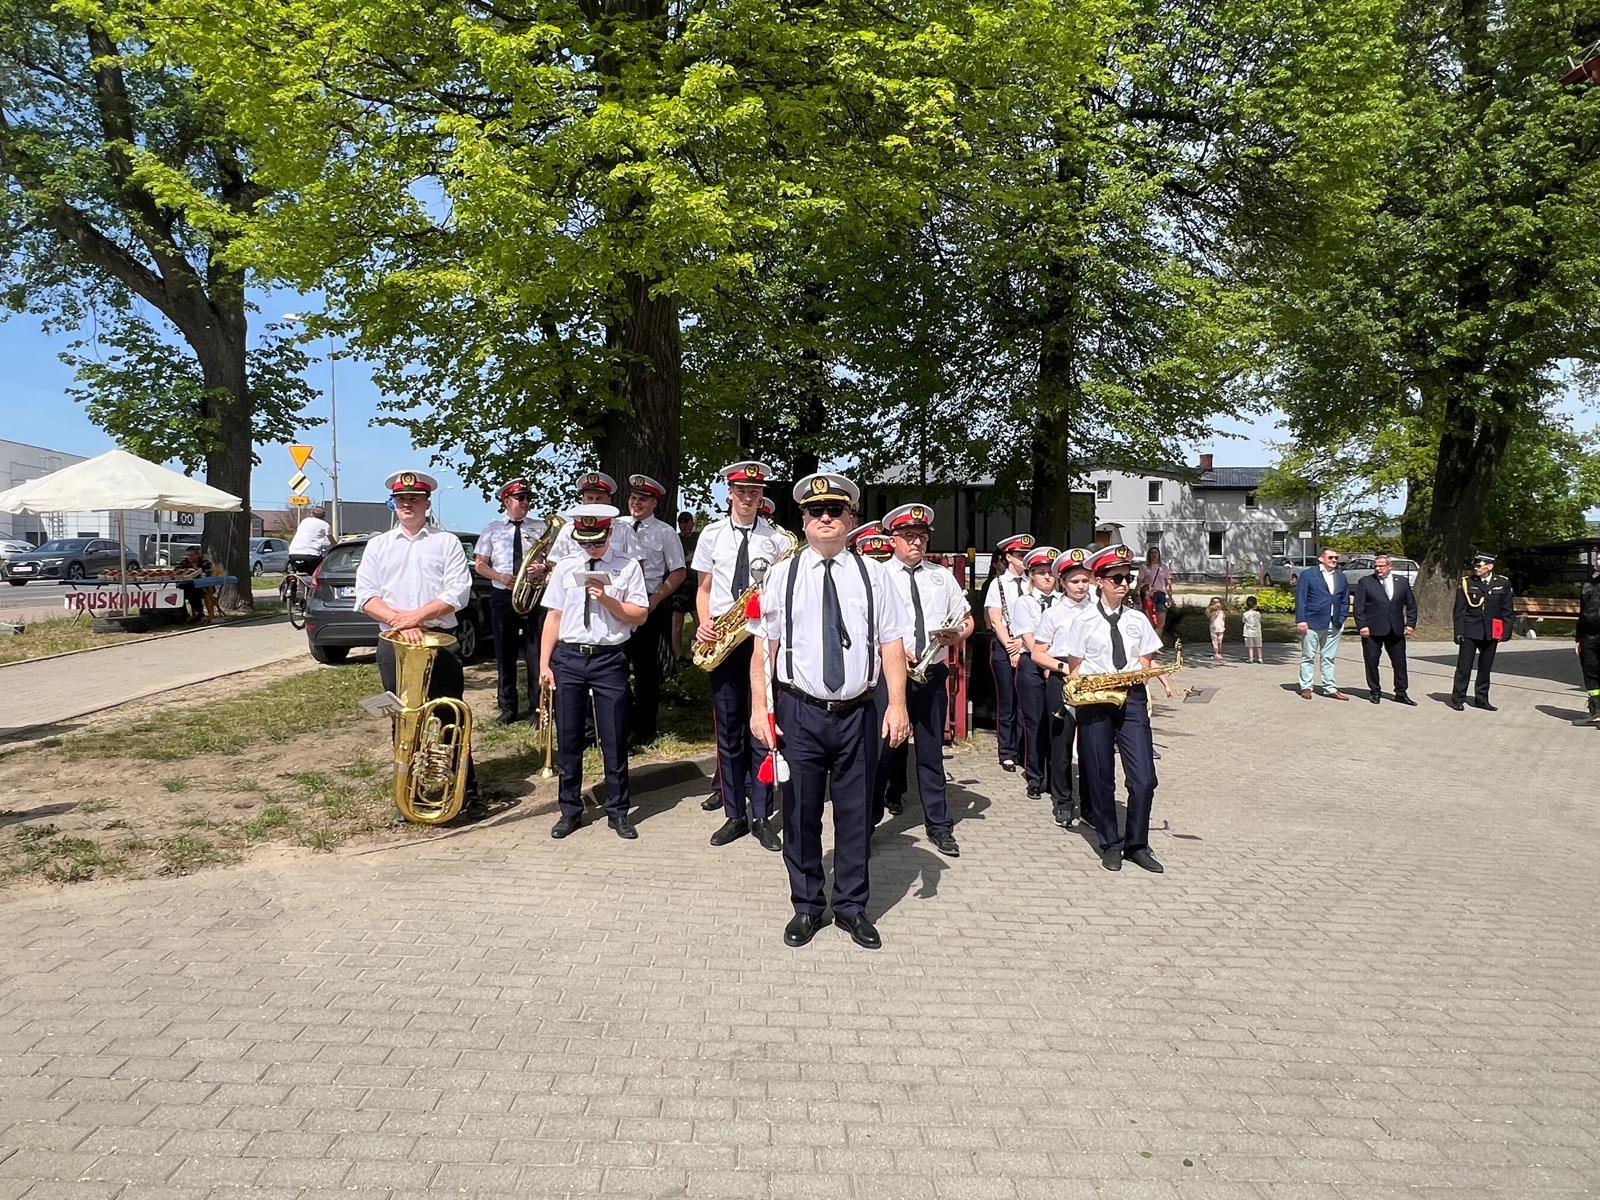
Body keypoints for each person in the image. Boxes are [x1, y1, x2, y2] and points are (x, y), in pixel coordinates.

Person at [749, 472, 912, 949]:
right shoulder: (781, 574)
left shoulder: (875, 574)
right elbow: (764, 646)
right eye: (815, 511)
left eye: (834, 511)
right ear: (802, 520)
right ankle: (807, 906)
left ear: (849, 518)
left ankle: (851, 906)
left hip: (858, 711)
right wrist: (761, 708)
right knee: (799, 812)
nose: (825, 518)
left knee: (857, 812)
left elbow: (892, 644)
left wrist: (896, 705)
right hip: (800, 712)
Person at [354, 470, 485, 822]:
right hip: (394, 643)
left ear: (427, 503)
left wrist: (412, 619)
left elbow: (456, 593)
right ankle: (406, 794)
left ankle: (466, 794)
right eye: (401, 499)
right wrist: (401, 622)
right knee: (403, 720)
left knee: (449, 718)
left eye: (414, 499)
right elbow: (366, 596)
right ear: (394, 505)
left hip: (438, 641)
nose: (407, 504)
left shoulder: (446, 543)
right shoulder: (378, 545)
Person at [538, 504, 649, 838]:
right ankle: (569, 810)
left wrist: (607, 600)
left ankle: (618, 810)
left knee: (614, 737)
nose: (591, 548)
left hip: (608, 657)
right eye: (585, 542)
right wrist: (545, 663)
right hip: (570, 657)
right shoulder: (566, 566)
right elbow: (554, 616)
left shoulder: (627, 566)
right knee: (569, 737)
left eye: (597, 541)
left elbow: (639, 613)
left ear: (610, 533)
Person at [692, 460, 787, 849]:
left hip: (760, 638)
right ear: (729, 493)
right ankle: (735, 814)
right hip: (723, 636)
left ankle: (763, 814)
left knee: (763, 726)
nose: (748, 497)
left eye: (755, 490)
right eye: (741, 491)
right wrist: (703, 623)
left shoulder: (779, 540)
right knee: (728, 729)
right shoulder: (712, 534)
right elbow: (703, 589)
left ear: (761, 494)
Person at [871, 502, 972, 856]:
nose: (916, 543)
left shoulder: (941, 576)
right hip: (891, 675)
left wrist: (955, 635)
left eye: (922, 537)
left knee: (930, 753)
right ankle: (866, 825)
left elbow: (967, 619)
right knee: (884, 750)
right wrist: (893, 651)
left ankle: (939, 825)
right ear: (893, 540)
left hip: (931, 672)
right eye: (908, 536)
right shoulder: (877, 575)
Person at [1064, 544, 1167, 873]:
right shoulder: (1082, 620)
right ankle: (1110, 841)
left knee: (1144, 780)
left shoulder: (1138, 619)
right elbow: (1074, 667)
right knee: (1100, 775)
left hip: (1132, 697)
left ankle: (1137, 843)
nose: (1124, 584)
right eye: (1116, 578)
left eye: (1128, 578)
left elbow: (1146, 659)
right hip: (1097, 701)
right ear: (1099, 581)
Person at [1030, 548, 1095, 828]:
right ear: (1063, 583)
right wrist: (1062, 668)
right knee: (1061, 744)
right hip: (1062, 676)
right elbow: (1037, 652)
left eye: (1084, 581)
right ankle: (1063, 801)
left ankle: (1092, 804)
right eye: (1074, 581)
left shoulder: (1098, 611)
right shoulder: (1053, 613)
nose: (1080, 586)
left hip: (1092, 679)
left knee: (1094, 744)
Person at [621, 474, 686, 748]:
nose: (637, 503)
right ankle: (621, 721)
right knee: (616, 665)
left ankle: (645, 727)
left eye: (643, 499)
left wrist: (657, 598)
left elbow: (679, 571)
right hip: (617, 603)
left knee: (645, 667)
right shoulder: (616, 526)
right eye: (634, 498)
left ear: (654, 503)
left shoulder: (664, 532)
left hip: (649, 602)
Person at [474, 479, 543, 724]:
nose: (525, 503)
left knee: (536, 653)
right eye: (520, 498)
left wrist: (542, 567)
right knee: (505, 652)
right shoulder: (492, 528)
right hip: (503, 594)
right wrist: (500, 576)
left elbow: (554, 558)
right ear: (506, 501)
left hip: (533, 592)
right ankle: (508, 708)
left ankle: (538, 708)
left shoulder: (540, 527)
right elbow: (480, 564)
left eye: (527, 498)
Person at [1010, 545, 1061, 800]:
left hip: (1059, 668)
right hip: (1033, 666)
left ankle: (1056, 778)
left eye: (1050, 572)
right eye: (1041, 572)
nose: (1047, 577)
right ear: (1031, 575)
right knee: (1035, 723)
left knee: (1058, 724)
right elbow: (1029, 638)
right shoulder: (1025, 602)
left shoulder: (1065, 602)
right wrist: (1045, 664)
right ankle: (1034, 776)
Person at [984, 533, 1034, 771]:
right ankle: (1007, 751)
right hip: (1006, 646)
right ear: (1009, 557)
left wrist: (1023, 646)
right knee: (1007, 700)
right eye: (1020, 555)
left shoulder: (1032, 582)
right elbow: (995, 619)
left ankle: (1024, 749)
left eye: (1026, 555)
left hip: (1027, 646)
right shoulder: (998, 584)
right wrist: (1010, 646)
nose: (1024, 559)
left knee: (1026, 702)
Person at [1450, 551, 1514, 711]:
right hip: (1470, 629)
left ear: (1489, 567)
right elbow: (1459, 610)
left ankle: (1481, 699)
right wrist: (1459, 631)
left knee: (1485, 668)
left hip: (1491, 630)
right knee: (1464, 667)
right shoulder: (1467, 582)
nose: (1476, 568)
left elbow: (1507, 609)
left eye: (1479, 565)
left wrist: (1506, 631)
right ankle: (1458, 698)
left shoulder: (1502, 583)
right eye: (1475, 565)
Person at [1354, 552, 1418, 705]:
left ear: (1390, 567)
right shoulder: (1366, 582)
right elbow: (1359, 607)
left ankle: (1401, 692)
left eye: (1381, 566)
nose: (1377, 569)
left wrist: (1410, 624)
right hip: (1372, 629)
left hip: (1395, 629)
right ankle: (1375, 691)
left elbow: (1411, 605)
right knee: (1371, 661)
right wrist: (1362, 626)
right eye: (1375, 566)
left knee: (1400, 663)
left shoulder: (1401, 582)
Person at [546, 470, 642, 564]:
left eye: (599, 498)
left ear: (609, 500)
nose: (594, 503)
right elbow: (556, 563)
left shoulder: (623, 528)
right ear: (582, 499)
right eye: (590, 498)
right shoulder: (569, 528)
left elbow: (637, 563)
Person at [1294, 547, 1350, 700]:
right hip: (1312, 622)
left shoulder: (1340, 576)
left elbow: (1344, 599)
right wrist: (1301, 620)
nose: (1334, 560)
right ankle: (1306, 686)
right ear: (1321, 558)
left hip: (1335, 622)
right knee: (1308, 656)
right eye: (1331, 557)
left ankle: (1329, 688)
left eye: (1336, 558)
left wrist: (1343, 616)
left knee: (1329, 657)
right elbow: (1301, 598)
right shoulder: (1308, 575)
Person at [672, 511, 699, 667]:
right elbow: (679, 559)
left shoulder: (698, 537)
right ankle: (678, 655)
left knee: (698, 620)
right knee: (677, 621)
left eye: (687, 521)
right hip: (680, 586)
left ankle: (692, 651)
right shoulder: (676, 539)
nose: (684, 525)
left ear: (692, 522)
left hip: (696, 585)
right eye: (681, 522)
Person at [1576, 560, 1600, 724]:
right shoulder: (1589, 584)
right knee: (1590, 672)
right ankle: (1596, 711)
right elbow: (1582, 613)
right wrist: (1578, 639)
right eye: (1598, 558)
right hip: (1589, 637)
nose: (1599, 561)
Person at [287, 503, 333, 574]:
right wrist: (336, 545)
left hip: (293, 553)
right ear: (324, 516)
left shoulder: (304, 521)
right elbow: (332, 541)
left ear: (312, 514)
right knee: (320, 572)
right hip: (312, 555)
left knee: (297, 571)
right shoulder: (325, 525)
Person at [176, 544, 214, 622]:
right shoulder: (184, 563)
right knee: (178, 592)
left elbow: (208, 574)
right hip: (187, 586)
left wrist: (197, 572)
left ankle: (199, 613)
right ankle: (184, 614)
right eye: (188, 555)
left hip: (204, 586)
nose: (190, 557)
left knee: (194, 592)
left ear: (198, 555)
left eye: (192, 555)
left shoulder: (205, 563)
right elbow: (176, 571)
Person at [1143, 546, 1173, 636]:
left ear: (1159, 554)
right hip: (1148, 596)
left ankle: (1157, 645)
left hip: (1160, 595)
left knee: (1160, 624)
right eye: (1151, 553)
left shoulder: (1163, 567)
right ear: (1149, 555)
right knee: (1149, 623)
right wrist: (1137, 593)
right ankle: (1151, 644)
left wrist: (1170, 597)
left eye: (1155, 553)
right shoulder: (1144, 567)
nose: (1154, 555)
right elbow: (1139, 582)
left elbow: (1168, 583)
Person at [1241, 595, 1264, 664]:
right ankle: (1260, 658)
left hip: (1248, 632)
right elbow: (1259, 620)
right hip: (1257, 632)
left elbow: (1243, 621)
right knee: (1259, 645)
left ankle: (1251, 658)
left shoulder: (1245, 614)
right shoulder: (1257, 614)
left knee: (1250, 646)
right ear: (1255, 605)